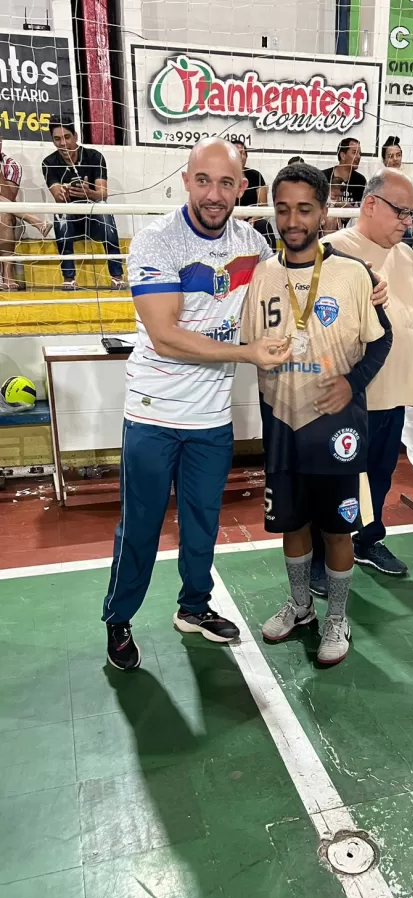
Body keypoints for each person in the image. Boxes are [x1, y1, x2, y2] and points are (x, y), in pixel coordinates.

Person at [102, 137, 291, 671]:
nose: (214, 193)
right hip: (153, 412)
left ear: (241, 186)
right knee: (139, 525)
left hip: (211, 418)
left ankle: (194, 608)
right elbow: (165, 337)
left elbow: (293, 285)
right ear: (186, 180)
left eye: (226, 182)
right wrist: (247, 353)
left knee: (202, 522)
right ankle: (119, 619)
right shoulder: (156, 241)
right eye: (203, 180)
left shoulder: (253, 243)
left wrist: (359, 283)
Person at [241, 163, 392, 665]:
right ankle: (302, 605)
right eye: (282, 208)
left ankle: (337, 617)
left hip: (336, 427)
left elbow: (381, 339)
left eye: (304, 208)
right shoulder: (264, 274)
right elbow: (247, 342)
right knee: (291, 522)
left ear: (324, 213)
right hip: (282, 418)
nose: (292, 219)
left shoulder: (352, 274)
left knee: (338, 528)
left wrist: (352, 383)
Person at [309, 168, 413, 593]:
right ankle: (320, 556)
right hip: (350, 396)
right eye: (403, 212)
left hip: (394, 392)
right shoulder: (332, 251)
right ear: (370, 204)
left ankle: (368, 540)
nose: (408, 223)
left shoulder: (406, 256)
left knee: (378, 477)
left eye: (412, 214)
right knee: (336, 481)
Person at [42, 118, 126, 291]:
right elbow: (57, 195)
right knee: (61, 212)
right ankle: (69, 277)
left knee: (103, 207)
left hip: (93, 216)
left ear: (76, 136)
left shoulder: (94, 156)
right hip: (71, 220)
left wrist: (89, 193)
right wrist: (65, 192)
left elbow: (103, 193)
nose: (63, 143)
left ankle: (117, 276)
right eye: (57, 139)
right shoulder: (48, 162)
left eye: (67, 137)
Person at [0, 138, 52, 290]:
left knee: (4, 214)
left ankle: (7, 273)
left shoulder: (12, 166)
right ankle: (34, 221)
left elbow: (8, 197)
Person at [322, 138, 366, 207]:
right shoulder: (323, 177)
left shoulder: (360, 181)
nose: (358, 157)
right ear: (343, 155)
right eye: (354, 152)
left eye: (359, 154)